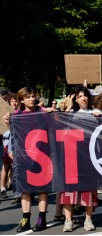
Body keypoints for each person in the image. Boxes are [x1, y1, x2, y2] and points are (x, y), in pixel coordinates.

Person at [5, 87, 50, 232]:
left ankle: (41, 218)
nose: (31, 99)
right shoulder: (17, 115)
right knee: (25, 189)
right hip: (23, 156)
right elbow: (14, 134)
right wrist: (11, 149)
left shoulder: (42, 112)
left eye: (33, 96)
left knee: (43, 188)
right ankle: (26, 219)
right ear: (22, 100)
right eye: (28, 97)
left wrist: (52, 113)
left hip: (43, 155)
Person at [61, 86, 101, 232]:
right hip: (72, 157)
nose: (83, 98)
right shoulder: (71, 114)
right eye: (80, 96)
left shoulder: (96, 113)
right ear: (76, 99)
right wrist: (69, 106)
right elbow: (60, 126)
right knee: (69, 189)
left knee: (89, 188)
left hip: (89, 157)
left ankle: (88, 219)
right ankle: (68, 220)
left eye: (85, 95)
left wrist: (100, 117)